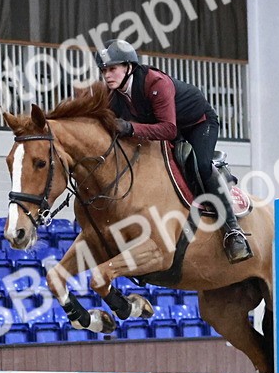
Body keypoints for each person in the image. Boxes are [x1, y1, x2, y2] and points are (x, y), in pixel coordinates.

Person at [95, 39, 253, 264]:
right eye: (104, 71)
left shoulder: (155, 83)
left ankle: (232, 231)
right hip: (168, 129)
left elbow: (169, 129)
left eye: (112, 69)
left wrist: (129, 127)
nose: (107, 75)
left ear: (128, 67)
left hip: (199, 124)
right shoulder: (113, 96)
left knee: (200, 165)